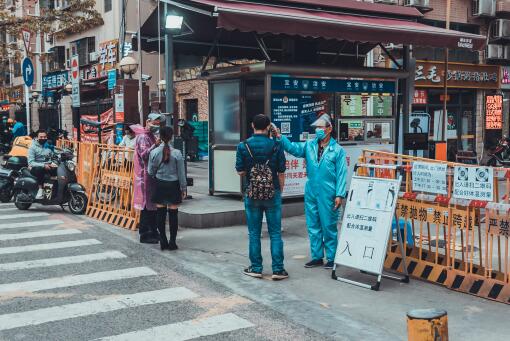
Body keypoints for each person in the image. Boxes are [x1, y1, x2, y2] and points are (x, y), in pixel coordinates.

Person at [276, 113, 347, 269]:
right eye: (317, 127)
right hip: (311, 190)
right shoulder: (309, 145)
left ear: (329, 129)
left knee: (328, 225)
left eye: (321, 127)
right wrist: (281, 138)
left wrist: (339, 194)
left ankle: (332, 257)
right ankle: (316, 256)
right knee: (313, 224)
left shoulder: (337, 150)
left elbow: (342, 173)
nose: (318, 130)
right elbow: (293, 148)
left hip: (329, 191)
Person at [236, 114, 288, 281]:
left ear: (252, 125)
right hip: (273, 193)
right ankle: (278, 270)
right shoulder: (276, 145)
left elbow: (240, 171)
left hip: (251, 193)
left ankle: (256, 267)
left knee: (254, 233)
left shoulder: (243, 146)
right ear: (268, 128)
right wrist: (279, 189)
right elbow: (281, 171)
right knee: (275, 233)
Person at [148, 126, 186, 251]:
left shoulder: (153, 152)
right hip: (173, 185)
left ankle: (163, 240)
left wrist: (157, 175)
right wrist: (183, 188)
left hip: (160, 184)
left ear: (160, 136)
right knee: (173, 214)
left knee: (160, 214)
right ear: (171, 137)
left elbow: (150, 171)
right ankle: (173, 242)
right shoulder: (177, 153)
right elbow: (181, 173)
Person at [132, 113, 165, 244]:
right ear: (148, 121)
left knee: (152, 205)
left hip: (151, 176)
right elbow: (144, 155)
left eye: (158, 124)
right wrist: (155, 146)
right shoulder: (142, 137)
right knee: (146, 206)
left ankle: (153, 231)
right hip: (144, 176)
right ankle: (145, 233)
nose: (156, 126)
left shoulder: (151, 136)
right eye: (155, 123)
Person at [27, 130, 55, 199]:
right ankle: (40, 190)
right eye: (41, 137)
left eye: (44, 137)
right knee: (40, 170)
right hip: (35, 167)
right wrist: (43, 165)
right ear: (37, 137)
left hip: (47, 166)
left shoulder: (47, 146)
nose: (43, 138)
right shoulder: (32, 147)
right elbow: (31, 162)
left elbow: (53, 155)